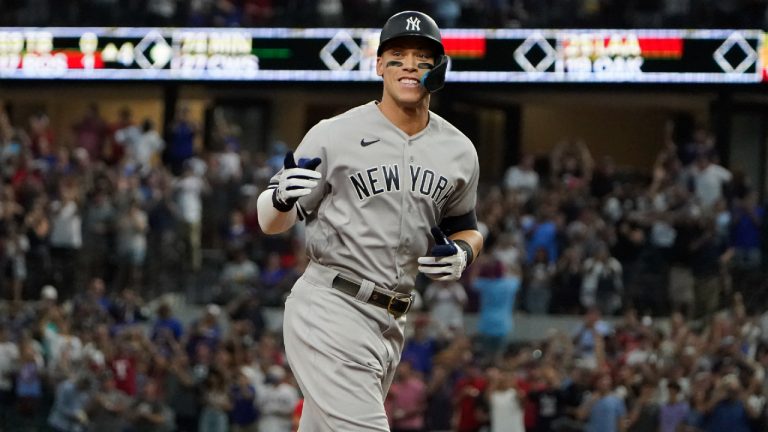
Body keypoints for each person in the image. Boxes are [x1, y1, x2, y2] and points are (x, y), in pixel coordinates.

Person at [256, 10, 483, 431]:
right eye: (397, 55)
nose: (410, 65)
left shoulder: (459, 150)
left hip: (392, 321)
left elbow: (466, 225)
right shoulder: (334, 133)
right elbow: (271, 221)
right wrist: (280, 197)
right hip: (331, 306)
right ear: (379, 65)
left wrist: (465, 252)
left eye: (422, 56)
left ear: (439, 68)